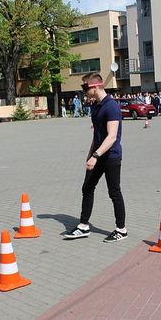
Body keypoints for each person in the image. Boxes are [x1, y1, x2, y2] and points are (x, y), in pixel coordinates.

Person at [63, 73, 127, 243]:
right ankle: (83, 226)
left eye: (85, 87)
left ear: (95, 86)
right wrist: (90, 155)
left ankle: (121, 229)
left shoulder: (111, 106)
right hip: (97, 156)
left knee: (114, 192)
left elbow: (112, 136)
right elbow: (97, 136)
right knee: (87, 188)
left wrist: (96, 155)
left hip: (111, 156)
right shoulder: (97, 107)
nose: (83, 91)